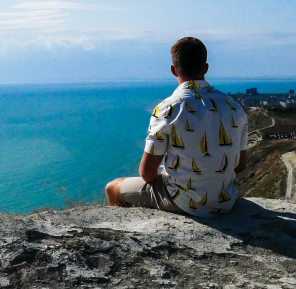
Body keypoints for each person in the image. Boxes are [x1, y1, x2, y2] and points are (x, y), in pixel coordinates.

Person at [105, 37, 248, 216]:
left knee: (113, 187)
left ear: (173, 70)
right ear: (205, 68)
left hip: (183, 201)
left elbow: (147, 174)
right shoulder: (233, 106)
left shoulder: (167, 109)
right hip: (226, 200)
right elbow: (240, 166)